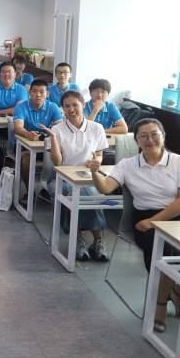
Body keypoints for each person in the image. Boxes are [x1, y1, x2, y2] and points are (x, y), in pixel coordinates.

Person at [89, 118, 180, 332]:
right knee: (166, 252)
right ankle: (161, 304)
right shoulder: (127, 165)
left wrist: (155, 221)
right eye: (143, 136)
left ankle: (178, 291)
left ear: (163, 136)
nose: (150, 139)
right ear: (136, 141)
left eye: (155, 134)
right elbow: (106, 188)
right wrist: (94, 173)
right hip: (145, 218)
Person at [40, 90, 109, 262]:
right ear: (62, 109)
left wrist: (95, 162)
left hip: (87, 176)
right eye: (67, 106)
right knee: (71, 193)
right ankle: (78, 239)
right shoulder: (57, 129)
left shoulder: (97, 128)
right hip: (59, 176)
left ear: (83, 105)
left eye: (75, 105)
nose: (71, 109)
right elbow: (57, 163)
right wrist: (53, 139)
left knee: (90, 193)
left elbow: (100, 155)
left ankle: (97, 241)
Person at [12, 80, 64, 200]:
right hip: (23, 145)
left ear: (47, 94)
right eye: (35, 91)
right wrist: (27, 133)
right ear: (29, 92)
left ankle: (49, 190)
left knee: (63, 155)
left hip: (46, 146)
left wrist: (50, 134)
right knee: (26, 158)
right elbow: (18, 128)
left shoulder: (52, 107)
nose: (38, 95)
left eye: (42, 92)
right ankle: (30, 191)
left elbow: (61, 128)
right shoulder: (21, 106)